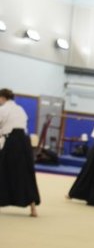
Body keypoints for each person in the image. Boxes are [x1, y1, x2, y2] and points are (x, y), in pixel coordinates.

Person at [0, 88, 40, 217]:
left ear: (3, 97)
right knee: (26, 173)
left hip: (12, 141)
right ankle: (33, 208)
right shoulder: (20, 109)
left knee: (3, 170)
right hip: (24, 141)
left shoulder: (3, 109)